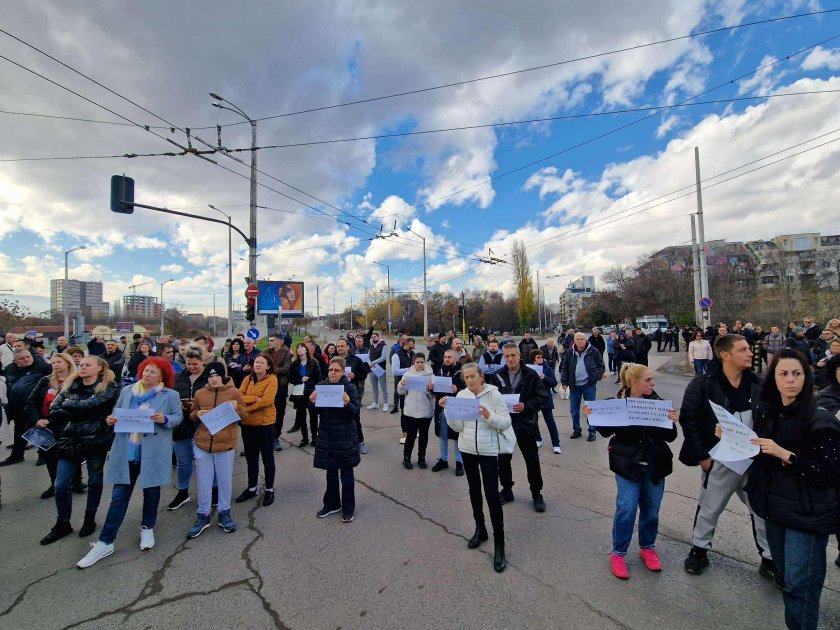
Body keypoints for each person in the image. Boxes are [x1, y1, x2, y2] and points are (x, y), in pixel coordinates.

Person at [741, 349, 840, 630]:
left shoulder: (820, 420)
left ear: (806, 378)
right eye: (783, 374)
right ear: (773, 378)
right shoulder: (770, 413)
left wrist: (789, 456)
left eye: (797, 374)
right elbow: (761, 456)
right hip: (775, 509)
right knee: (787, 579)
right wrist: (736, 438)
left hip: (807, 514)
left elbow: (832, 473)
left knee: (800, 586)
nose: (790, 380)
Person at [679, 334, 780, 585]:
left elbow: (773, 418)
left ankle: (769, 560)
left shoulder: (759, 384)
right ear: (725, 355)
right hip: (720, 460)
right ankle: (699, 550)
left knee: (761, 510)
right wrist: (703, 457)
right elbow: (688, 420)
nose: (750, 353)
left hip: (754, 461)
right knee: (710, 506)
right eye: (743, 349)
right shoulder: (702, 384)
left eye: (749, 349)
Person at [77, 357, 182, 568]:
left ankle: (147, 528)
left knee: (151, 493)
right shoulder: (128, 391)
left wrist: (166, 419)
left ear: (163, 375)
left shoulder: (170, 395)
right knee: (119, 496)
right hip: (128, 452)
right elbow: (117, 414)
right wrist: (111, 420)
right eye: (145, 370)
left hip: (152, 453)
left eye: (153, 372)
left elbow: (178, 417)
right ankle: (106, 541)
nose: (147, 374)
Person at [585, 363, 678, 579]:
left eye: (652, 380)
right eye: (648, 380)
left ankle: (647, 547)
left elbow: (671, 437)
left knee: (651, 510)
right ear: (633, 382)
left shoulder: (658, 404)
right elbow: (606, 431)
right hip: (628, 465)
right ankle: (618, 553)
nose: (653, 384)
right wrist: (592, 416)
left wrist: (672, 422)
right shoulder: (617, 404)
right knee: (626, 508)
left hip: (655, 464)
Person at [39, 356, 119, 545]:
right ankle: (62, 522)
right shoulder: (70, 384)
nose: (82, 367)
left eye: (87, 365)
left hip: (96, 439)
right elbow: (55, 409)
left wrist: (71, 407)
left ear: (99, 368)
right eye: (81, 364)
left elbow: (97, 406)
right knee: (61, 484)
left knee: (95, 480)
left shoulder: (109, 386)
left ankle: (89, 518)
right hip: (70, 437)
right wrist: (79, 411)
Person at [442, 362, 512, 573]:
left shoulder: (494, 395)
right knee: (474, 491)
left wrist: (489, 417)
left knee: (491, 494)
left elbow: (506, 422)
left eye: (473, 376)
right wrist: (448, 411)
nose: (470, 380)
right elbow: (458, 427)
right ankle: (480, 529)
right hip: (468, 450)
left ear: (481, 377)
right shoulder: (462, 396)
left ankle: (500, 545)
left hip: (489, 451)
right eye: (466, 377)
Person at [187, 362, 247, 538]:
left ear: (223, 376)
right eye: (211, 376)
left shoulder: (233, 392)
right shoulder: (200, 393)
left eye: (217, 376)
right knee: (203, 481)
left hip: (225, 443)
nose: (214, 379)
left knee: (224, 480)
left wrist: (237, 406)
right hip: (203, 444)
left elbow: (244, 414)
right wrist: (196, 414)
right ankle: (203, 515)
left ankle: (224, 512)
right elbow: (192, 413)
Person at [491, 343, 549, 512]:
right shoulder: (497, 375)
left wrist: (526, 405)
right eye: (507, 356)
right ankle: (507, 489)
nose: (510, 359)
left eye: (513, 355)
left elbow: (542, 396)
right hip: (504, 424)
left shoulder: (531, 374)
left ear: (519, 356)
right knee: (502, 460)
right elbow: (491, 396)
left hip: (526, 423)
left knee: (531, 460)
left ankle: (536, 493)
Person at [310, 357, 360, 523]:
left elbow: (355, 413)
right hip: (327, 437)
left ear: (342, 372)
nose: (332, 373)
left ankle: (348, 508)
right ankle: (331, 504)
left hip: (345, 438)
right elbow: (315, 412)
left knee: (346, 475)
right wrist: (312, 402)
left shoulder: (349, 388)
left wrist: (347, 403)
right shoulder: (322, 387)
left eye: (336, 370)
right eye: (330, 369)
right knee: (330, 473)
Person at [24, 353, 77, 500]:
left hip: (66, 425)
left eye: (59, 361)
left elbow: (74, 406)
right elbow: (32, 402)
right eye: (53, 362)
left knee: (69, 455)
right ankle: (54, 483)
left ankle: (75, 481)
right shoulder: (45, 381)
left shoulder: (76, 381)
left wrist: (51, 420)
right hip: (44, 426)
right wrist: (37, 420)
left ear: (68, 363)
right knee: (50, 456)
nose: (55, 365)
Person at [236, 355, 278, 506]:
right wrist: (254, 398)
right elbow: (239, 397)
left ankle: (269, 489)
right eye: (256, 362)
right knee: (251, 458)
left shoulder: (272, 379)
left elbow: (267, 401)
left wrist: (247, 409)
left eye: (262, 363)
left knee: (267, 458)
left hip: (265, 425)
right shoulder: (247, 379)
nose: (258, 364)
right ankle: (252, 487)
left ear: (268, 366)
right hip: (248, 425)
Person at [169, 346, 208, 511]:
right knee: (183, 461)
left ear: (202, 362)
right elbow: (170, 397)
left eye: (195, 364)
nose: (191, 367)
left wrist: (198, 406)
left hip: (203, 424)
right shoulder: (177, 378)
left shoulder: (209, 378)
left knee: (204, 461)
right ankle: (183, 491)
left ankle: (210, 490)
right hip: (182, 424)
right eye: (189, 364)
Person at [0, 348, 52, 466]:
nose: (26, 359)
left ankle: (43, 455)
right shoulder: (9, 369)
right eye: (22, 358)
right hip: (16, 406)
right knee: (19, 431)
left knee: (39, 430)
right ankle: (17, 455)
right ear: (15, 361)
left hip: (35, 406)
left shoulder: (42, 367)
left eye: (28, 356)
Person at [560, 332, 606, 442]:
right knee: (574, 410)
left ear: (585, 340)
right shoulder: (570, 352)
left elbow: (601, 365)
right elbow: (565, 367)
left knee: (590, 410)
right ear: (574, 341)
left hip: (589, 385)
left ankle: (592, 431)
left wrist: (596, 376)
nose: (579, 341)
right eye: (577, 339)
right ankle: (577, 430)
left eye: (581, 339)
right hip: (574, 386)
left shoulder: (593, 351)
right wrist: (564, 382)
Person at [431, 348, 466, 475]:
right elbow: (435, 391)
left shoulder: (462, 373)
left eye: (449, 357)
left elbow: (469, 390)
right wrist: (431, 388)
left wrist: (458, 389)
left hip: (456, 410)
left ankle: (459, 462)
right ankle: (443, 460)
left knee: (457, 436)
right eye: (445, 357)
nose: (446, 359)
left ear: (455, 359)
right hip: (441, 409)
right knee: (442, 434)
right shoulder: (438, 371)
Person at [398, 353, 435, 469]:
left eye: (422, 362)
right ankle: (406, 457)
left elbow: (433, 394)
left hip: (425, 411)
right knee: (411, 436)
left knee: (424, 436)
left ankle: (421, 457)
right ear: (413, 362)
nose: (420, 364)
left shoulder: (430, 375)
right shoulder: (407, 374)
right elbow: (400, 391)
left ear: (425, 362)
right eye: (417, 362)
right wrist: (402, 385)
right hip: (411, 411)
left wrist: (429, 390)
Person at [263, 334, 292, 452]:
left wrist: (270, 369)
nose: (269, 342)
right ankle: (265, 439)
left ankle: (276, 438)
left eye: (271, 340)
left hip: (280, 388)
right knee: (265, 413)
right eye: (269, 340)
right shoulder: (265, 352)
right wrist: (275, 369)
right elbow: (260, 365)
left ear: (279, 342)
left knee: (279, 413)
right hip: (266, 387)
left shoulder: (286, 353)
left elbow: (286, 369)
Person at [288, 343, 321, 447]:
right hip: (299, 393)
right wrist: (300, 379)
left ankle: (315, 438)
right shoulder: (294, 364)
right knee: (301, 416)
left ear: (306, 350)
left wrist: (317, 391)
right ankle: (304, 438)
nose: (299, 349)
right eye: (298, 348)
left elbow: (319, 379)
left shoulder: (314, 362)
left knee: (313, 417)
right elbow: (291, 379)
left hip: (311, 392)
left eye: (302, 347)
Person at [529, 350, 561, 454]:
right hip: (533, 398)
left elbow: (554, 383)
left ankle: (556, 444)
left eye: (542, 357)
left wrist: (544, 377)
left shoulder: (547, 368)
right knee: (534, 421)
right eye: (538, 357)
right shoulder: (529, 368)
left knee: (550, 421)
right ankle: (538, 439)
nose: (541, 359)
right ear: (533, 358)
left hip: (545, 398)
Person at [365, 330, 389, 412]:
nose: (373, 338)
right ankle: (375, 403)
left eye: (374, 337)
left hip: (381, 370)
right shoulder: (371, 346)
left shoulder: (383, 345)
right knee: (374, 387)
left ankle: (385, 404)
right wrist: (369, 363)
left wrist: (374, 362)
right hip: (372, 370)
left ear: (378, 337)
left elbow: (383, 357)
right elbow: (367, 356)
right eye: (372, 337)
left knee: (383, 387)